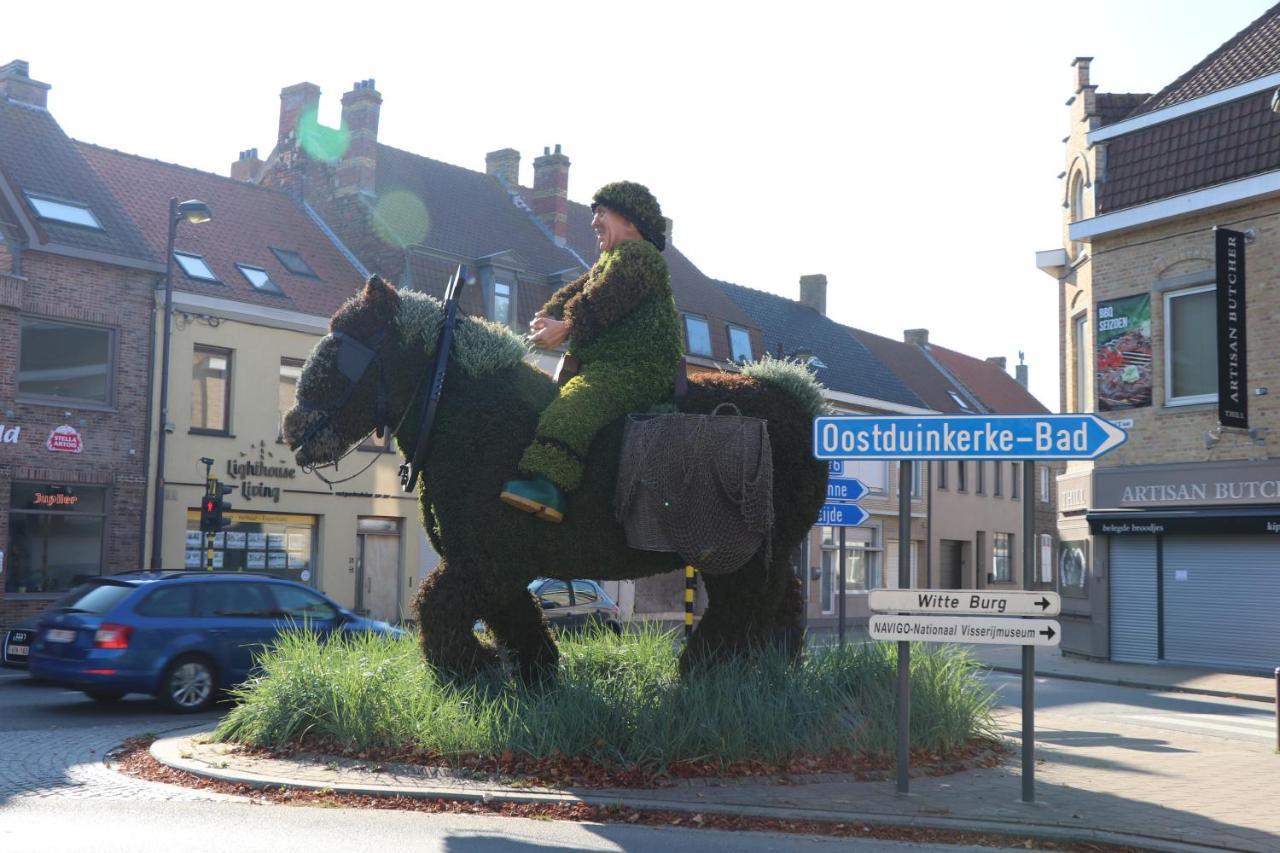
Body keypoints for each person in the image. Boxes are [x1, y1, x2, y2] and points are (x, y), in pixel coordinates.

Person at [500, 181, 682, 523]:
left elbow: (607, 296)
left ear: (629, 221)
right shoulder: (606, 262)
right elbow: (579, 291)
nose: (594, 222)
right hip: (606, 366)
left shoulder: (639, 257)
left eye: (601, 213)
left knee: (574, 407)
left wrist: (565, 327)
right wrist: (549, 316)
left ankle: (549, 487)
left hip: (635, 369)